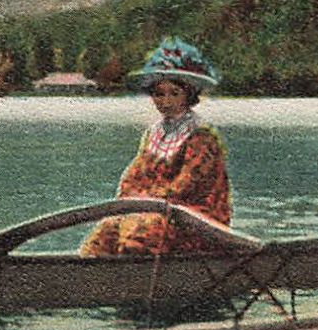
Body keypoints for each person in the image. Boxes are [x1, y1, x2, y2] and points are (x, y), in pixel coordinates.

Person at [79, 37, 236, 257]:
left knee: (142, 231)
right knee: (107, 230)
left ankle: (137, 278)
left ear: (188, 95)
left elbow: (186, 185)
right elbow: (134, 176)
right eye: (159, 94)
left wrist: (146, 203)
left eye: (174, 94)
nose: (166, 102)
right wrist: (128, 203)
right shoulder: (154, 133)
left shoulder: (201, 136)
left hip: (196, 218)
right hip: (152, 209)